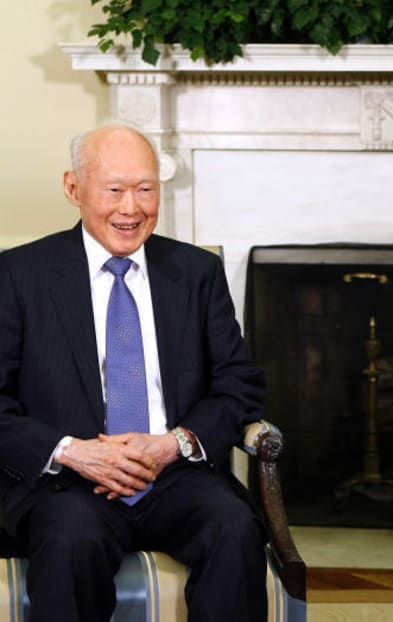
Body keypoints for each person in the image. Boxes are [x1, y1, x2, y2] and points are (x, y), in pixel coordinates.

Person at [0, 123, 268, 621]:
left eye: (146, 189)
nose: (131, 208)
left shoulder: (195, 273)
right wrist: (74, 452)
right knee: (70, 538)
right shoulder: (18, 275)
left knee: (233, 525)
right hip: (68, 483)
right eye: (115, 190)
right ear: (73, 188)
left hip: (175, 474)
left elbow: (239, 385)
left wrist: (174, 443)